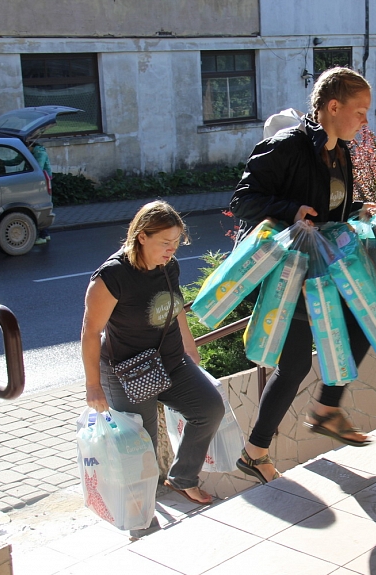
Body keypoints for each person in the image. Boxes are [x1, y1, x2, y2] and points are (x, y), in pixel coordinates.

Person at [230, 67, 376, 484]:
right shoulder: (287, 146)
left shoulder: (340, 152)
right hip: (287, 271)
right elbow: (243, 200)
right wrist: (290, 210)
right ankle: (283, 435)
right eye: (360, 111)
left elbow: (328, 210)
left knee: (358, 324)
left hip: (319, 265)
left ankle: (261, 449)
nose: (365, 120)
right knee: (294, 365)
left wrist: (357, 210)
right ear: (333, 106)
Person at [82, 200, 224, 510]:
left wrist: (189, 345)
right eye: (165, 242)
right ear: (142, 236)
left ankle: (183, 478)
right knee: (140, 446)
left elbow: (175, 307)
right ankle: (138, 512)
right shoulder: (111, 276)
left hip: (170, 360)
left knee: (210, 408)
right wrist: (93, 385)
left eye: (176, 242)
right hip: (127, 370)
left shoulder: (168, 265)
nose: (172, 249)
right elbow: (91, 332)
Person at [29, 142, 52, 245]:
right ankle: (45, 234)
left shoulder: (39, 152)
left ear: (30, 146)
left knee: (40, 207)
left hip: (42, 183)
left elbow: (39, 168)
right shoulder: (36, 151)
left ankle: (43, 235)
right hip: (43, 182)